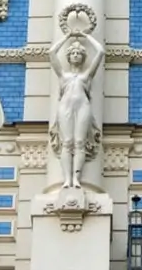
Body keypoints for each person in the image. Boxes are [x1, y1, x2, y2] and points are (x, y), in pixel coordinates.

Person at [49, 29, 105, 188]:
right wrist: (67, 36)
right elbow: (52, 52)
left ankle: (76, 179)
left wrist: (85, 35)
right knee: (67, 142)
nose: (75, 55)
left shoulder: (86, 76)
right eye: (72, 52)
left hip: (83, 107)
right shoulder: (63, 76)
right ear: (68, 56)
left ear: (83, 56)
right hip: (65, 107)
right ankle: (67, 179)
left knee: (80, 142)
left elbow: (100, 51)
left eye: (79, 53)